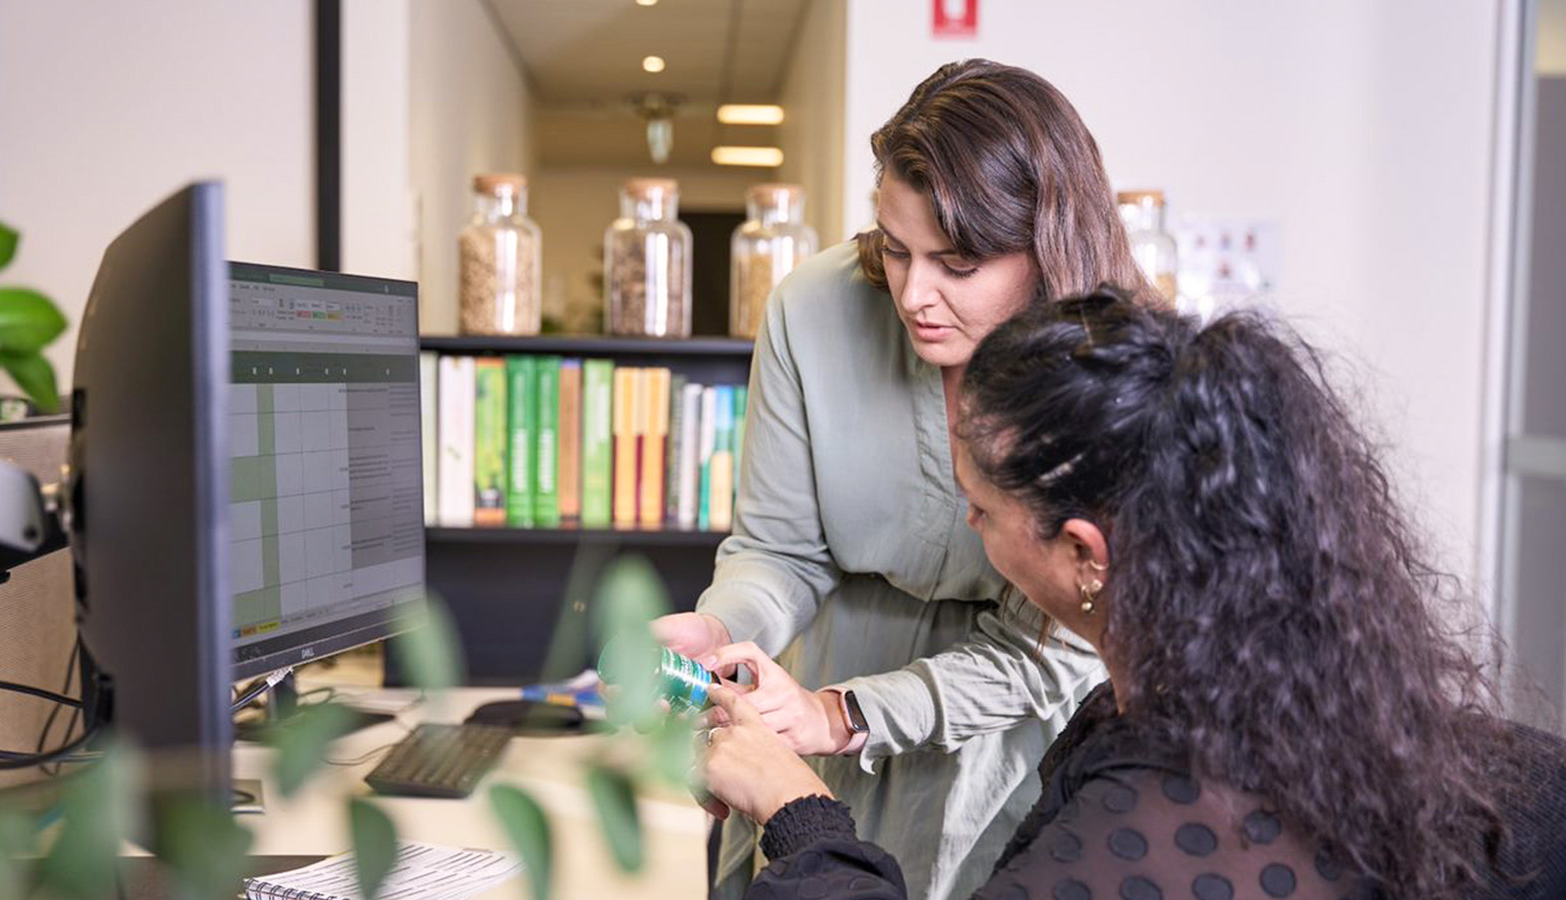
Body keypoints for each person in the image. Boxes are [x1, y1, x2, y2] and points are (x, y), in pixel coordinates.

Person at [697, 289, 1566, 900]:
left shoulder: (1159, 818)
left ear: (1083, 553)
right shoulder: (1321, 709)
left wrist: (795, 808)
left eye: (983, 508)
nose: (967, 524)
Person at [651, 59, 1148, 900]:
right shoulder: (813, 308)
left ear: (1047, 252)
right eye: (895, 248)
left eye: (956, 263)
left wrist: (843, 715)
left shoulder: (1110, 362)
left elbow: (1057, 647)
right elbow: (779, 549)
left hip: (1003, 740)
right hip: (804, 701)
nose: (914, 293)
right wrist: (723, 631)